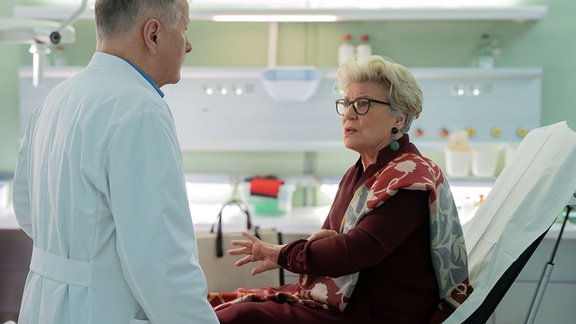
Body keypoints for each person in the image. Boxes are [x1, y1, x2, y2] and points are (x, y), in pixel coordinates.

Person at [211, 55, 472, 323]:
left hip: (376, 315)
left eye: (363, 104)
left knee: (241, 316)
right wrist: (317, 244)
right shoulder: (356, 174)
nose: (348, 114)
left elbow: (354, 251)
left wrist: (283, 254)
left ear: (399, 117)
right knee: (219, 305)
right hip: (345, 305)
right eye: (346, 103)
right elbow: (330, 245)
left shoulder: (411, 179)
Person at [12, 0, 218, 323]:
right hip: (101, 310)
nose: (188, 45)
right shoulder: (139, 109)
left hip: (40, 305)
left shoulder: (56, 99)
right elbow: (161, 264)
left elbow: (26, 209)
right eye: (184, 29)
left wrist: (77, 256)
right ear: (153, 35)